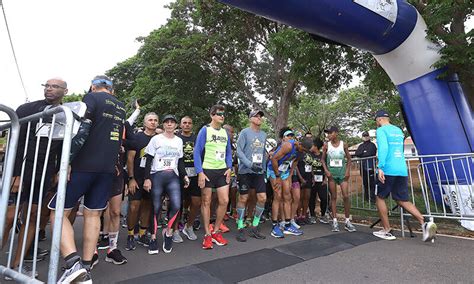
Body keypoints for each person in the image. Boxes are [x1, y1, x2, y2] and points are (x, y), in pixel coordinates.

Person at [48, 75, 126, 283]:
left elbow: (82, 130)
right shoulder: (121, 107)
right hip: (107, 168)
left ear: (93, 86)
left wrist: (68, 160)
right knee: (93, 215)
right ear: (111, 89)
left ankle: (72, 264)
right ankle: (85, 268)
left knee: (57, 213)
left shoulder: (91, 99)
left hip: (84, 165)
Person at [4, 78, 67, 277]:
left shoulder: (66, 115)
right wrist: (14, 173)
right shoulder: (26, 109)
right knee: (9, 217)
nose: (49, 89)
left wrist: (58, 170)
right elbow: (15, 141)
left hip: (44, 171)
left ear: (65, 91)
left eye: (54, 86)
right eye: (47, 86)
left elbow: (61, 146)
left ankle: (16, 265)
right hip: (21, 168)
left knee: (32, 216)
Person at [372, 110, 437, 241]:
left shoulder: (381, 131)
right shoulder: (398, 130)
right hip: (401, 168)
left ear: (379, 120)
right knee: (402, 199)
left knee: (379, 197)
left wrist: (380, 167)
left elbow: (383, 148)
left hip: (388, 169)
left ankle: (387, 230)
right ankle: (424, 222)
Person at [142, 115, 189, 254]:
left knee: (176, 205)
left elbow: (180, 161)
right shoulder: (156, 139)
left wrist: (184, 175)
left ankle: (168, 232)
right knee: (156, 207)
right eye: (167, 122)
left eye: (172, 122)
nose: (169, 124)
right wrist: (147, 178)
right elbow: (148, 159)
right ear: (163, 125)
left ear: (176, 126)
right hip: (157, 175)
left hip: (172, 176)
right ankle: (153, 237)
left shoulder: (179, 141)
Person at [193, 105, 232, 250]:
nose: (222, 116)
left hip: (222, 170)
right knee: (206, 201)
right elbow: (197, 152)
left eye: (223, 114)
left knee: (224, 200)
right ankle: (207, 234)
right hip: (207, 170)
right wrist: (200, 172)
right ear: (212, 115)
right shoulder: (205, 130)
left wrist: (229, 168)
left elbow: (228, 152)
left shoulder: (224, 132)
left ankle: (216, 231)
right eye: (219, 114)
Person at [267, 128, 312, 238]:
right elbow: (273, 159)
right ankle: (274, 226)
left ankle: (287, 225)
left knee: (288, 197)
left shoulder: (301, 151)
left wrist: (290, 174)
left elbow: (295, 162)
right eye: (303, 149)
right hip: (274, 170)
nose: (303, 152)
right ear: (299, 144)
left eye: (306, 151)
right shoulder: (288, 145)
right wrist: (277, 176)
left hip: (285, 171)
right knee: (277, 196)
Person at [125, 112, 158, 251]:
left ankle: (143, 233)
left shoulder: (159, 139)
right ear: (145, 123)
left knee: (147, 206)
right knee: (134, 207)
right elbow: (130, 159)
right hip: (137, 177)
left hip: (152, 177)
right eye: (150, 120)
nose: (153, 122)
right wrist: (131, 179)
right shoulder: (137, 137)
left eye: (156, 120)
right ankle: (131, 234)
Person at [235, 110, 267, 242]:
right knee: (243, 198)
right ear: (250, 119)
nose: (259, 118)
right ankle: (240, 227)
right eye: (256, 116)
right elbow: (238, 151)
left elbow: (263, 153)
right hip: (245, 171)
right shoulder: (244, 132)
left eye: (260, 116)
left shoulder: (264, 134)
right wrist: (249, 164)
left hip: (259, 172)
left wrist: (263, 169)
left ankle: (255, 225)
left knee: (262, 198)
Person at [321, 126, 356, 233]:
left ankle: (347, 221)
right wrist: (326, 171)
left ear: (336, 133)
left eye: (330, 133)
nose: (328, 135)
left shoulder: (343, 144)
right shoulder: (326, 145)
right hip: (331, 175)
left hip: (342, 174)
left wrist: (347, 171)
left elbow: (349, 159)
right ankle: (335, 221)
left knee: (346, 196)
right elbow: (322, 159)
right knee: (334, 197)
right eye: (327, 134)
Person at [177, 116, 200, 242]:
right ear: (180, 125)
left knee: (196, 202)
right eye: (184, 123)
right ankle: (174, 229)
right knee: (177, 204)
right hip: (179, 174)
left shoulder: (197, 138)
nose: (187, 125)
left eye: (189, 123)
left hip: (195, 174)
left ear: (192, 125)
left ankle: (189, 226)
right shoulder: (176, 139)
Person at [307, 138, 329, 224]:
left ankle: (323, 215)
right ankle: (312, 215)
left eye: (312, 145)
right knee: (311, 198)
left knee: (324, 197)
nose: (311, 147)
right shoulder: (309, 155)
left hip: (322, 180)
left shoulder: (324, 155)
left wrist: (325, 179)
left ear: (316, 146)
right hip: (312, 180)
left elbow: (326, 167)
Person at [355, 131, 377, 202]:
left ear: (369, 136)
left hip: (371, 166)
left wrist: (363, 153)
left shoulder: (372, 145)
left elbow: (371, 152)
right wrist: (364, 152)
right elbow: (357, 153)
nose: (365, 137)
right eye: (364, 136)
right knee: (365, 183)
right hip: (363, 167)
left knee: (372, 183)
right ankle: (367, 198)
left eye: (366, 136)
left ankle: (373, 198)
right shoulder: (361, 146)